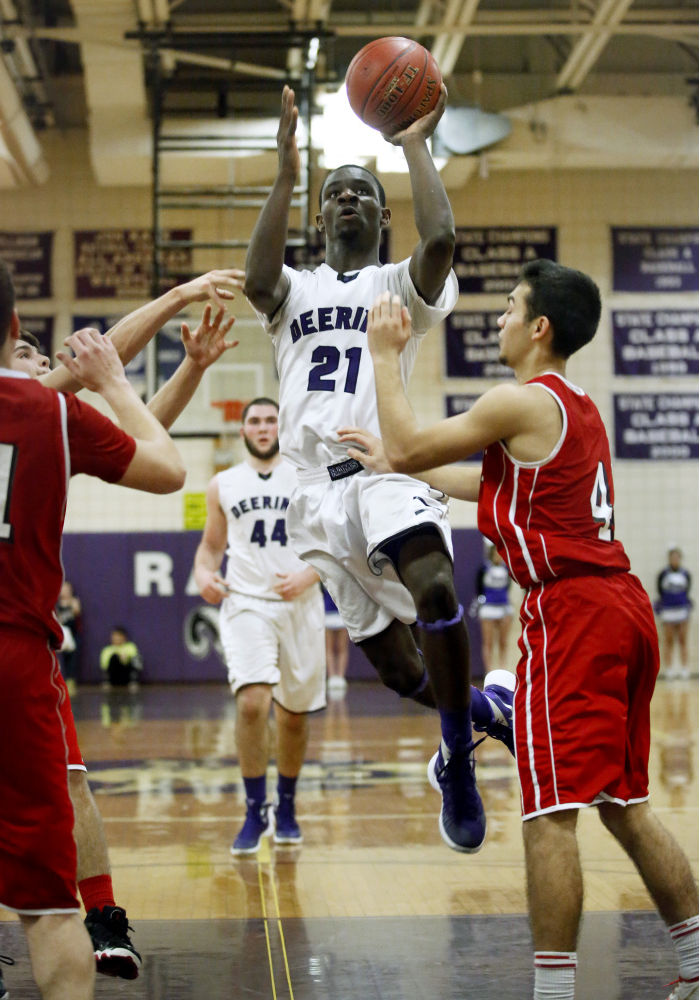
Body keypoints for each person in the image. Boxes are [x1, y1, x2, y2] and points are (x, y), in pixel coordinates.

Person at [360, 261, 699, 1000]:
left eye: (511, 307)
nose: (501, 318)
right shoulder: (571, 407)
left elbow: (416, 442)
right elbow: (482, 484)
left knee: (548, 814)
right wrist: (397, 464)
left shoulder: (516, 399)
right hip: (622, 606)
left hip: (574, 615)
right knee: (624, 804)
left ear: (540, 327)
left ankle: (553, 993)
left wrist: (385, 357)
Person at [0, 279, 241, 996]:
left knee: (63, 784)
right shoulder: (35, 407)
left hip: (1, 637)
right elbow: (126, 408)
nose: (31, 359)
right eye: (19, 348)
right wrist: (179, 297)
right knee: (35, 874)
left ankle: (94, 912)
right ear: (4, 337)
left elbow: (137, 435)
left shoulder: (48, 416)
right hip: (3, 646)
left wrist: (191, 368)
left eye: (36, 354)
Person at [244, 85, 515, 855]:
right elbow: (257, 281)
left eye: (364, 192)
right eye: (336, 195)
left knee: (434, 584)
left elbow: (441, 240)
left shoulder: (398, 281)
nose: (351, 199)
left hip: (387, 464)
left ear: (383, 213)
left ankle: (457, 760)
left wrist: (413, 144)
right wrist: (287, 172)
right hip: (314, 498)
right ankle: (479, 715)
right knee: (399, 673)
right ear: (320, 216)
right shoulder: (294, 289)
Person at [194, 398, 325, 855]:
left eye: (271, 420)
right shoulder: (223, 483)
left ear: (280, 427)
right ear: (243, 429)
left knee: (292, 716)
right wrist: (203, 574)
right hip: (246, 602)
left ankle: (286, 807)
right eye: (255, 420)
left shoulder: (307, 473)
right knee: (253, 702)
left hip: (301, 602)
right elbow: (211, 547)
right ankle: (255, 809)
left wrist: (311, 573)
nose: (264, 427)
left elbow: (334, 539)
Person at [475, 542, 514, 675]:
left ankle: (503, 669)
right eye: (497, 553)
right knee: (488, 642)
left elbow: (508, 587)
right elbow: (479, 588)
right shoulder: (484, 569)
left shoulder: (506, 569)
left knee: (503, 642)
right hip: (488, 609)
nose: (499, 556)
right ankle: (489, 671)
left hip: (504, 608)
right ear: (491, 554)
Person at [657, 546, 692, 680]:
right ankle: (669, 669)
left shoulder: (685, 574)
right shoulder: (663, 574)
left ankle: (684, 669)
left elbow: (687, 590)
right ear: (669, 559)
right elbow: (660, 591)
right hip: (668, 612)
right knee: (668, 641)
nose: (675, 560)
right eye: (672, 557)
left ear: (680, 559)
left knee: (683, 640)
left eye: (677, 557)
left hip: (682, 611)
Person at [323, 587, 350, 694]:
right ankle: (331, 677)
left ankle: (340, 677)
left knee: (342, 647)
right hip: (327, 610)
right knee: (328, 646)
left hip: (343, 610)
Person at [56, 580, 82, 692]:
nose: (65, 591)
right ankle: (61, 680)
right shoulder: (56, 604)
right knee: (63, 658)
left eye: (67, 589)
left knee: (73, 657)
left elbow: (77, 612)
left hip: (73, 633)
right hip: (62, 633)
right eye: (63, 589)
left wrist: (71, 603)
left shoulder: (74, 601)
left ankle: (71, 681)